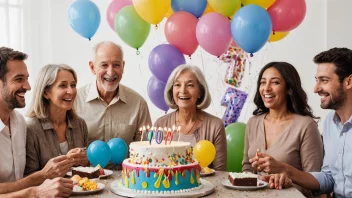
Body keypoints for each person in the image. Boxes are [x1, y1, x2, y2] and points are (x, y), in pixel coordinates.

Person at [261, 48, 352, 198]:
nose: (316, 89)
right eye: (317, 80)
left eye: (324, 80)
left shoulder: (307, 124)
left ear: (348, 82)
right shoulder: (330, 122)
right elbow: (329, 178)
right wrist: (285, 170)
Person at [242, 62, 324, 196]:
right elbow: (246, 168)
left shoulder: (306, 125)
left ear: (289, 89)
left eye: (275, 82)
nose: (266, 88)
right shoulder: (253, 123)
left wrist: (287, 182)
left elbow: (315, 183)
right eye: (263, 82)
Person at [0, 47, 73, 196]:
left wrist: (45, 174)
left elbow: (18, 182)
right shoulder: (31, 125)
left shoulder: (20, 122)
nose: (28, 86)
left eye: (27, 78)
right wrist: (35, 192)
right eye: (19, 79)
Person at [75, 41, 152, 147]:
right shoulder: (75, 101)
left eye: (116, 65)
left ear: (123, 66)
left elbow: (146, 151)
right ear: (92, 68)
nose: (110, 72)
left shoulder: (138, 104)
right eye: (104, 65)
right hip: (85, 164)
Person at [154, 64, 227, 171]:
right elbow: (153, 167)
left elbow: (220, 173)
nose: (183, 90)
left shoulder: (215, 126)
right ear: (172, 90)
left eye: (190, 85)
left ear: (200, 92)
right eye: (177, 85)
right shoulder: (160, 125)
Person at [25, 64, 89, 176]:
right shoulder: (31, 129)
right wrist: (67, 161)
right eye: (63, 86)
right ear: (46, 93)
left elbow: (88, 169)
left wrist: (86, 161)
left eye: (73, 85)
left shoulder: (80, 124)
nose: (71, 91)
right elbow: (29, 177)